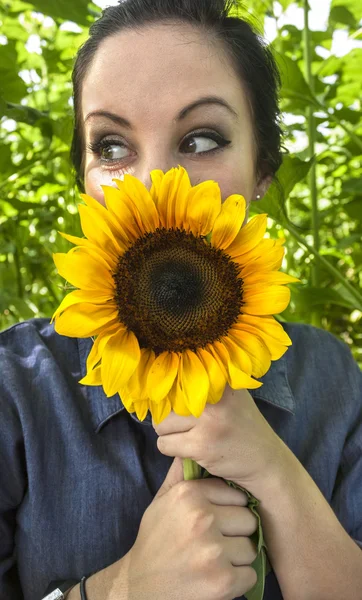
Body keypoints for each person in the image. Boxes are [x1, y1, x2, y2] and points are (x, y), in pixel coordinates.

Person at [1, 0, 361, 599]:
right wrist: (119, 589)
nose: (154, 184)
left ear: (263, 171)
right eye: (112, 147)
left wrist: (276, 474)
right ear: (84, 182)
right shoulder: (18, 390)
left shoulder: (330, 380)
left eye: (200, 138)